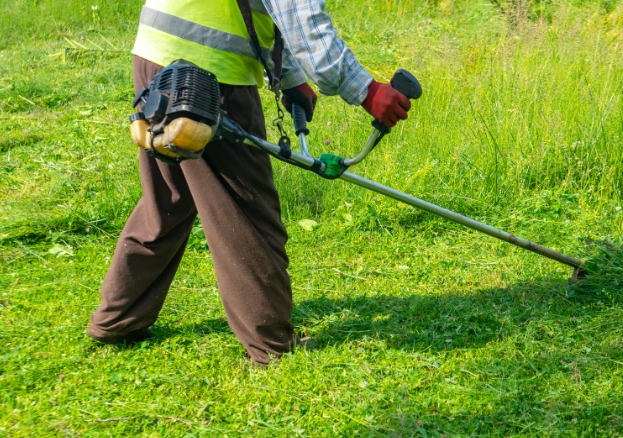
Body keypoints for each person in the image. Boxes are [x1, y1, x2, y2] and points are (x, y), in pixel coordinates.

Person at [86, 0, 412, 366]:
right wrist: (367, 90)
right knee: (246, 211)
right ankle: (271, 345)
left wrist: (288, 77)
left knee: (168, 199)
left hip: (156, 55)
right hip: (209, 75)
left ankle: (117, 318)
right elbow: (298, 13)